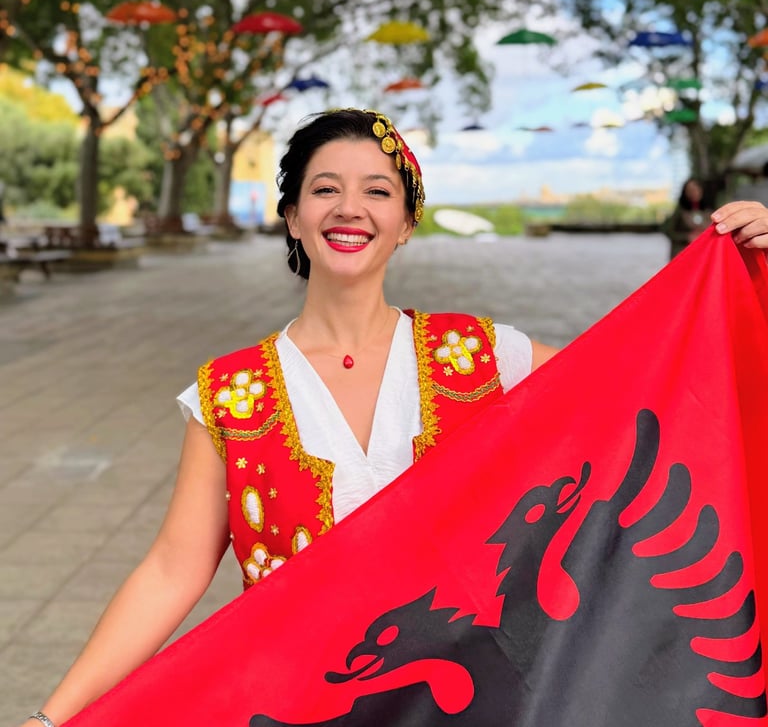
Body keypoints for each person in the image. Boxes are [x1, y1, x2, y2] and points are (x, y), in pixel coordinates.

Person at [18, 109, 768, 727]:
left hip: (473, 706)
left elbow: (647, 377)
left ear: (406, 222)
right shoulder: (230, 395)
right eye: (325, 189)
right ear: (292, 217)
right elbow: (170, 570)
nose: (350, 208)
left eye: (377, 191)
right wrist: (52, 718)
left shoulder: (479, 356)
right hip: (299, 704)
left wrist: (743, 276)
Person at [664, 177, 715, 260]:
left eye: (696, 189)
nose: (693, 192)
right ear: (685, 192)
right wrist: (686, 237)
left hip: (704, 254)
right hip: (684, 254)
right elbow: (668, 231)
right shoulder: (680, 211)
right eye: (690, 190)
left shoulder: (711, 211)